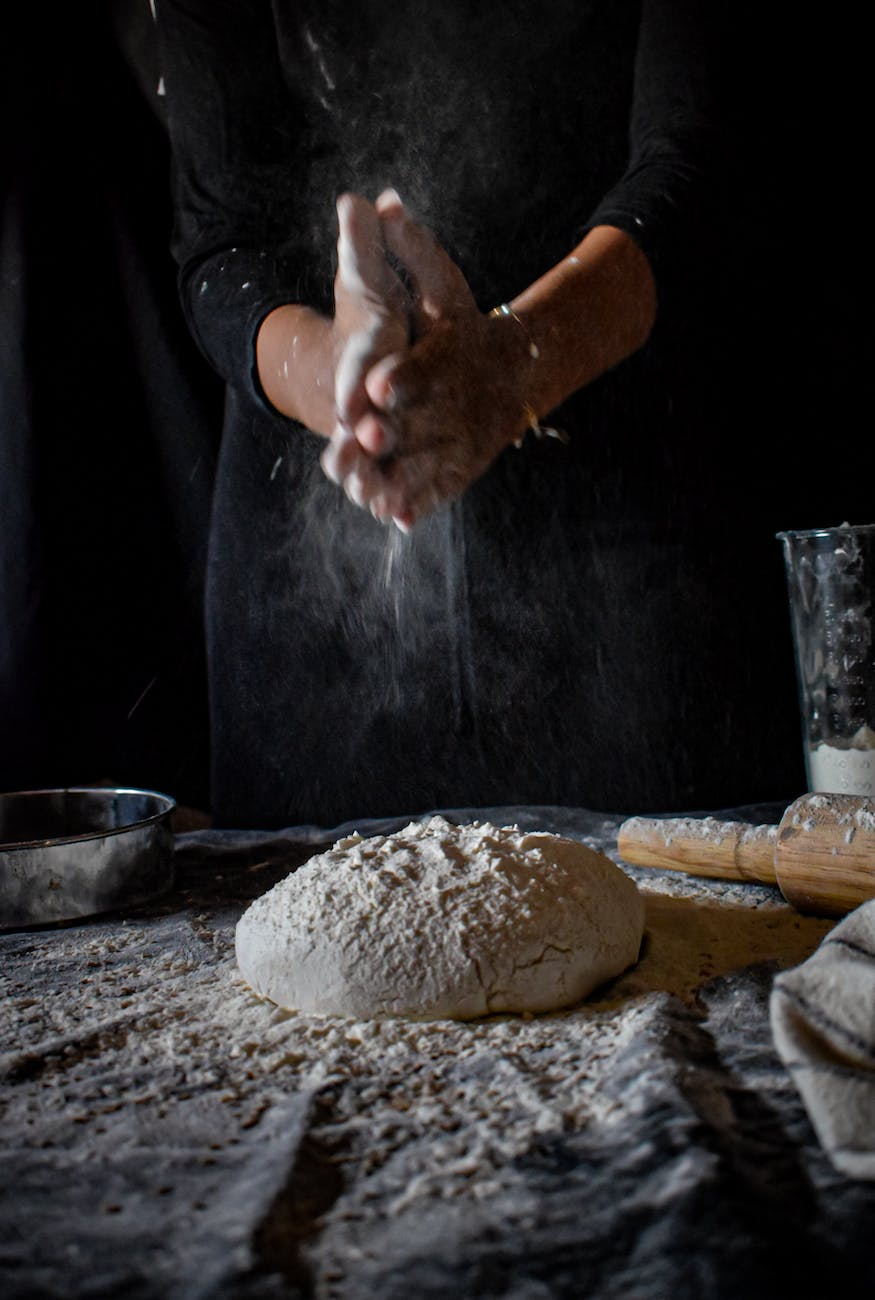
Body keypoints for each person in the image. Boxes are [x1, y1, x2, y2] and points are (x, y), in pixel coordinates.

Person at [154, 0, 802, 828]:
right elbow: (219, 238)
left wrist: (511, 365)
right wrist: (346, 384)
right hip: (314, 556)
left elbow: (696, 165)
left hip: (627, 545)